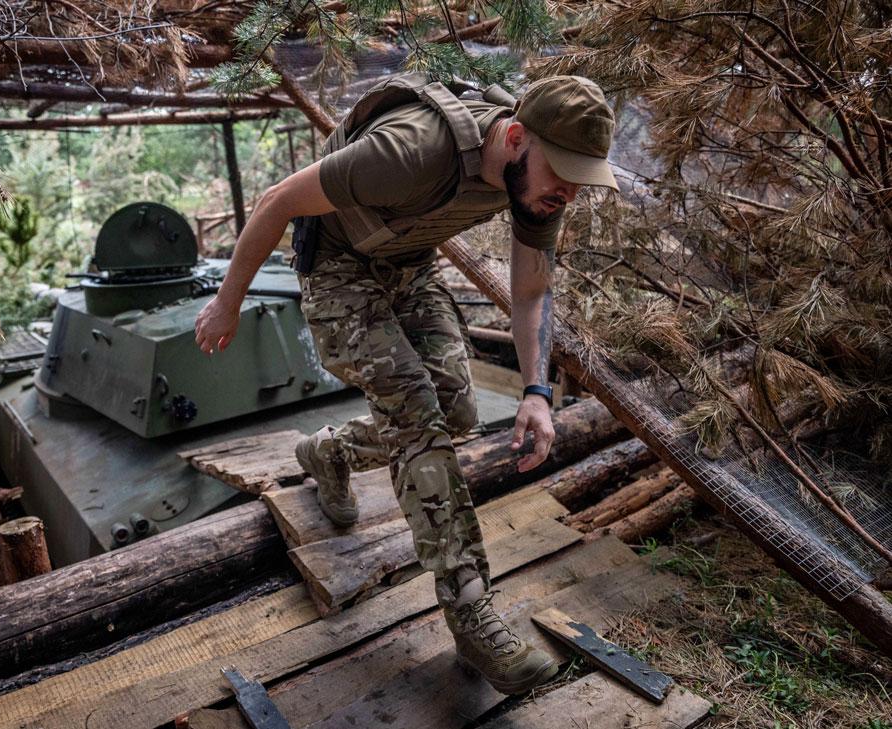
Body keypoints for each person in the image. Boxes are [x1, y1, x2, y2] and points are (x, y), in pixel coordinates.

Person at [195, 74, 618, 694]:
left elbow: (530, 289)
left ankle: (331, 451)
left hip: (407, 267)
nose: (568, 195)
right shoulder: (412, 150)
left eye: (581, 182)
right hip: (338, 270)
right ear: (518, 138)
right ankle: (471, 610)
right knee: (416, 412)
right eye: (562, 176)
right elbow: (276, 202)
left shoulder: (537, 188)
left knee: (458, 410)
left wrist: (536, 392)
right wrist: (228, 303)